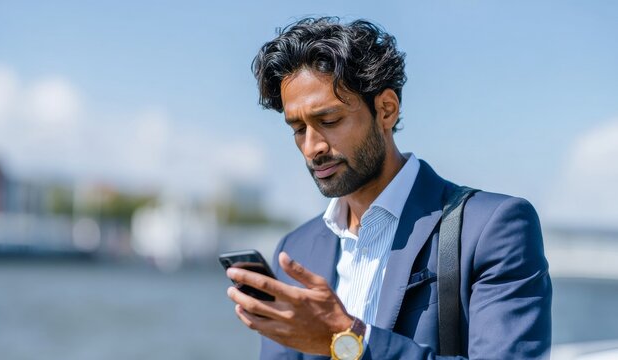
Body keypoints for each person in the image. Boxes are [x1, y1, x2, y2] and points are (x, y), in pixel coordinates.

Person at [226, 17, 552, 359]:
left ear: (386, 110)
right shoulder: (295, 251)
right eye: (297, 128)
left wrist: (347, 340)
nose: (312, 147)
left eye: (329, 121)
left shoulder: (493, 228)